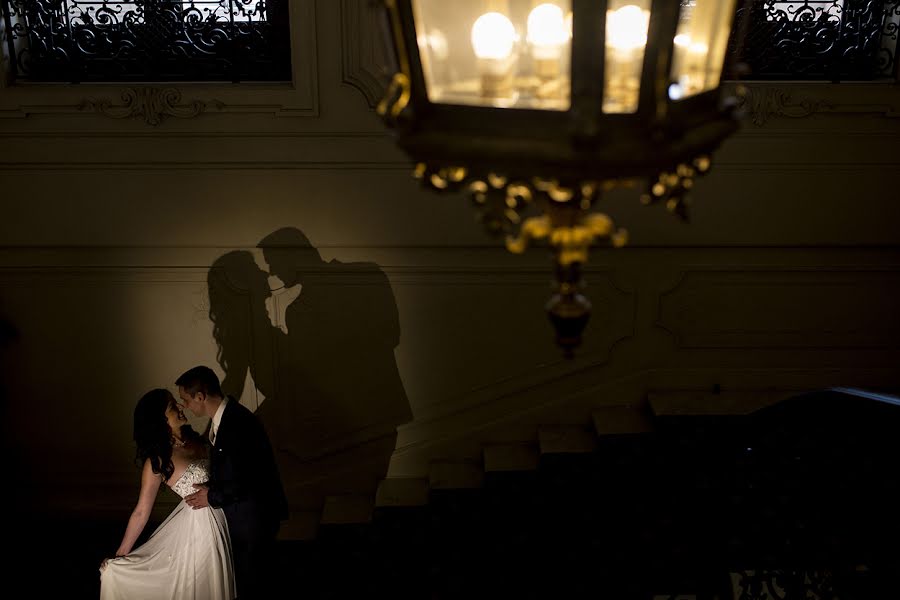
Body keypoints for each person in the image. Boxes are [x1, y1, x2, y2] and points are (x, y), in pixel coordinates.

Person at [99, 388, 235, 600]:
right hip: (200, 530)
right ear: (159, 419)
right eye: (173, 406)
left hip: (224, 516)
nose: (181, 407)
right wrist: (120, 554)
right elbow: (142, 512)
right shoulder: (158, 461)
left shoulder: (198, 440)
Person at [177, 365, 288, 600]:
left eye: (186, 400)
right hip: (246, 516)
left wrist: (211, 497)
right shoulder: (227, 418)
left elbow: (248, 479)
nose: (185, 406)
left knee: (253, 584)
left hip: (254, 518)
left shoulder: (238, 424)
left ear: (200, 396)